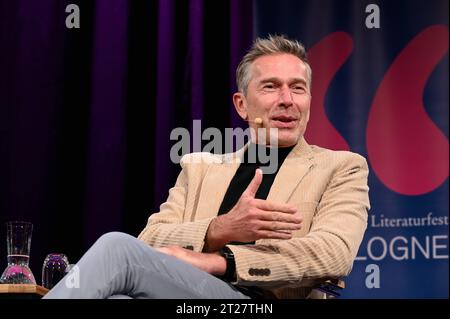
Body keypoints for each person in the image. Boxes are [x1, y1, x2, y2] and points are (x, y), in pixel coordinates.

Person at [44, 35, 370, 299]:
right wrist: (220, 229)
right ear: (242, 105)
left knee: (117, 247)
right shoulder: (200, 168)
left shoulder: (341, 167)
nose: (287, 99)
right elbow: (151, 240)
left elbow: (332, 254)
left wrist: (219, 262)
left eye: (298, 88)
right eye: (270, 86)